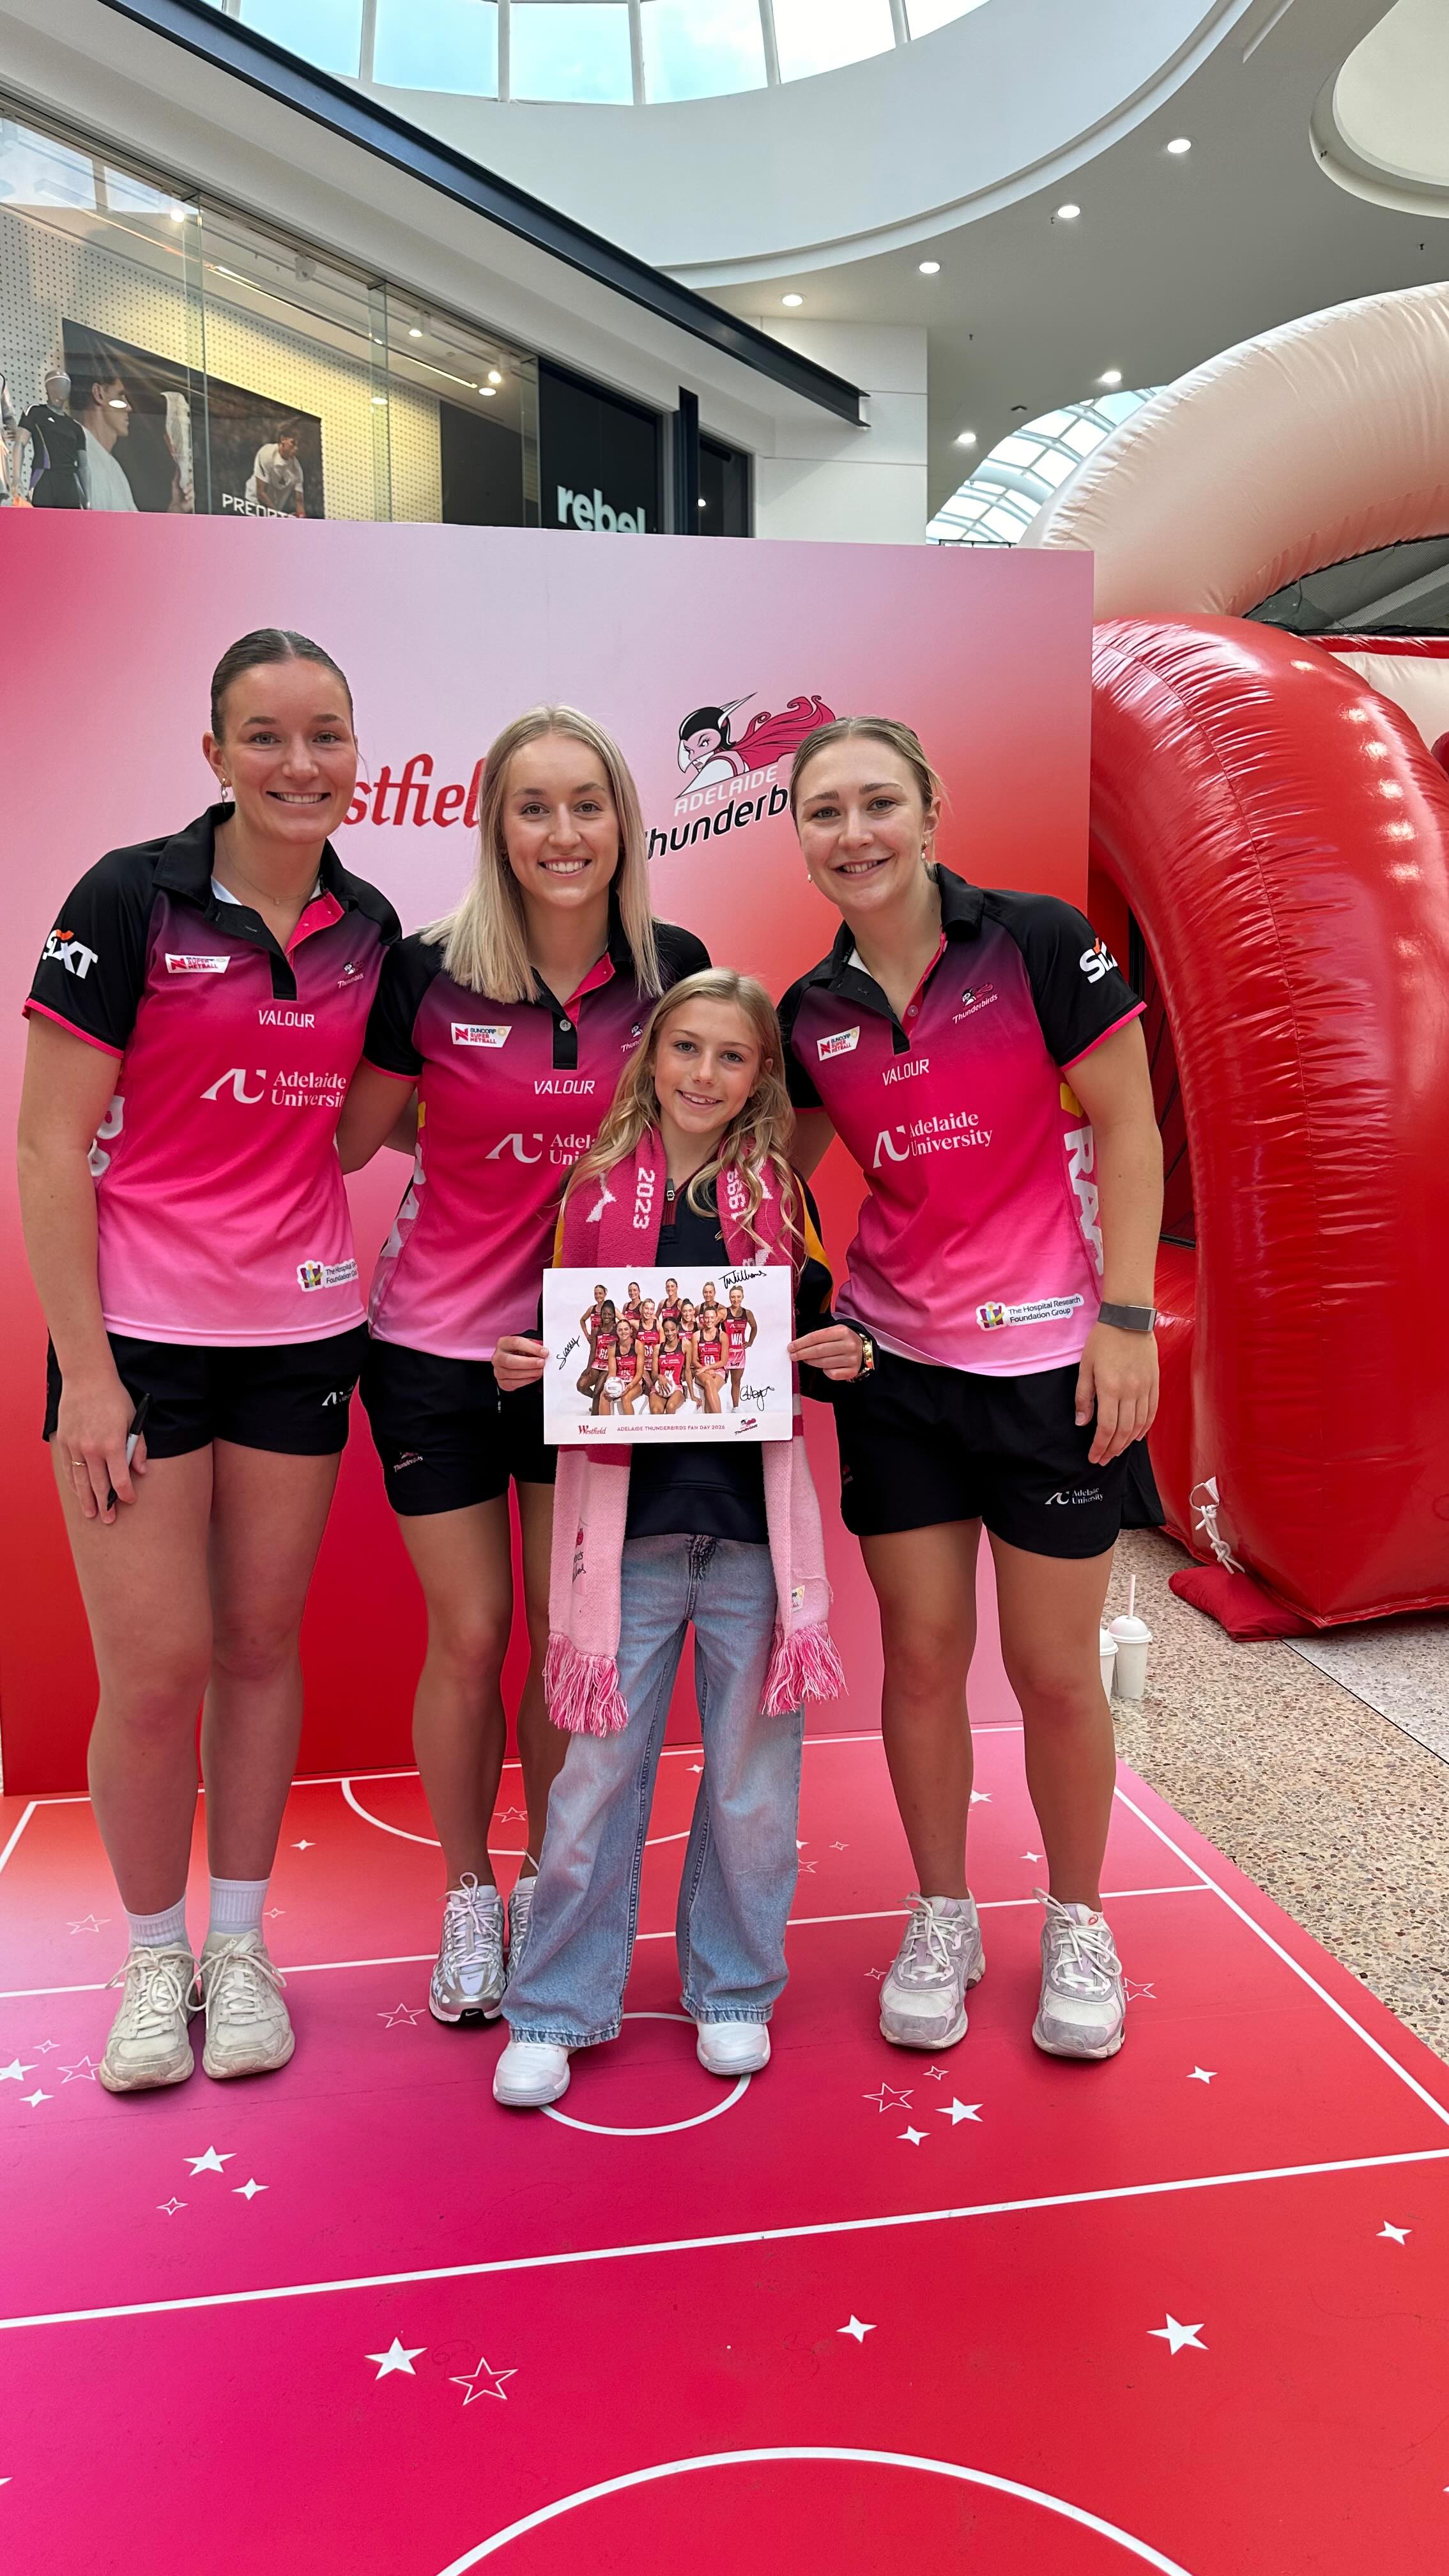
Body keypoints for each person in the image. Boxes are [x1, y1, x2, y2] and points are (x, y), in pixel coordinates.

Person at [17, 628, 399, 2093]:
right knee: (158, 1667)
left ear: (357, 752)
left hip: (300, 1335)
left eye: (326, 734)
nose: (299, 764)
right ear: (215, 753)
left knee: (254, 1649)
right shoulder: (128, 899)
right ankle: (154, 1955)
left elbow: (369, 1125)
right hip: (138, 1348)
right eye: (266, 735)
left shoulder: (372, 930)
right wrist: (90, 1373)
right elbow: (51, 1148)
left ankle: (241, 1950)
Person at [779, 716, 1163, 2065]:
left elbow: (1128, 1120)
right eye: (825, 812)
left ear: (930, 811)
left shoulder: (1041, 941)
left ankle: (1078, 1915)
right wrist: (791, 1313)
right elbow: (769, 1178)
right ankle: (943, 1912)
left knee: (1055, 1671)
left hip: (1051, 1369)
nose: (855, 833)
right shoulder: (809, 1012)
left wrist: (1127, 1318)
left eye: (879, 802)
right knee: (925, 1661)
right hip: (898, 1372)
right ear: (803, 839)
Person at [336, 707, 709, 2027]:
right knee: (473, 1632)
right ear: (495, 825)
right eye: (534, 807)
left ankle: (561, 1896)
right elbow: (346, 1140)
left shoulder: (678, 971)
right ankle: (465, 1896)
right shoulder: (426, 969)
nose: (564, 833)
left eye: (587, 805)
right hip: (434, 1350)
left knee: (568, 1646)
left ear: (624, 823)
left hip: (594, 1361)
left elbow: (716, 1150)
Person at [491, 971, 863, 2109]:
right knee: (592, 1783)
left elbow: (807, 1331)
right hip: (630, 1539)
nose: (702, 1074)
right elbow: (563, 1335)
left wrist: (840, 1353)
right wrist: (528, 1365)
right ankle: (555, 2004)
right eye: (684, 1049)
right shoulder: (594, 1186)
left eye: (730, 1057)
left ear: (760, 1079)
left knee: (753, 1787)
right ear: (650, 1056)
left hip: (753, 1540)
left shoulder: (778, 1191)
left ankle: (735, 1987)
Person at [69, 354, 137, 512]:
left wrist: (176, 508)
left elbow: (136, 532)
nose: (129, 408)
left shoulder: (114, 467)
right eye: (120, 397)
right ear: (99, 394)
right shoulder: (75, 452)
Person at [248, 425, 306, 518]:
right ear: (283, 439)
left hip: (274, 513)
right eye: (293, 443)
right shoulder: (267, 453)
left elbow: (299, 501)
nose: (296, 449)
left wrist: (303, 520)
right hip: (252, 504)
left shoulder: (297, 470)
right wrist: (279, 516)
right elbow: (261, 493)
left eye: (298, 446)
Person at [723, 1284, 758, 1409]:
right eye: (733, 1297)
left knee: (736, 1382)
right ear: (729, 1298)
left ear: (742, 1297)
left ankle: (735, 1408)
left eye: (738, 1297)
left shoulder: (747, 1313)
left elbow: (754, 1327)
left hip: (739, 1354)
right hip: (725, 1354)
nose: (735, 1299)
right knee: (721, 1381)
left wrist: (750, 1342)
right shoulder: (723, 1312)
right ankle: (720, 1407)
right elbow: (713, 1327)